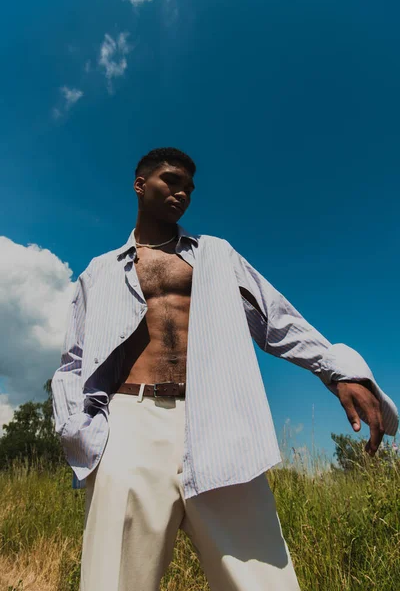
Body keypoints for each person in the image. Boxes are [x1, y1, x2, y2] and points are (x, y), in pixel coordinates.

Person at [51, 147, 398, 591]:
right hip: (127, 423)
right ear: (140, 185)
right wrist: (77, 429)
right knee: (114, 581)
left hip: (217, 422)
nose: (182, 193)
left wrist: (336, 370)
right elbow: (73, 361)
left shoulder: (215, 254)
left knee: (263, 579)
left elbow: (277, 318)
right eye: (171, 181)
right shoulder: (97, 272)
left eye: (189, 188)